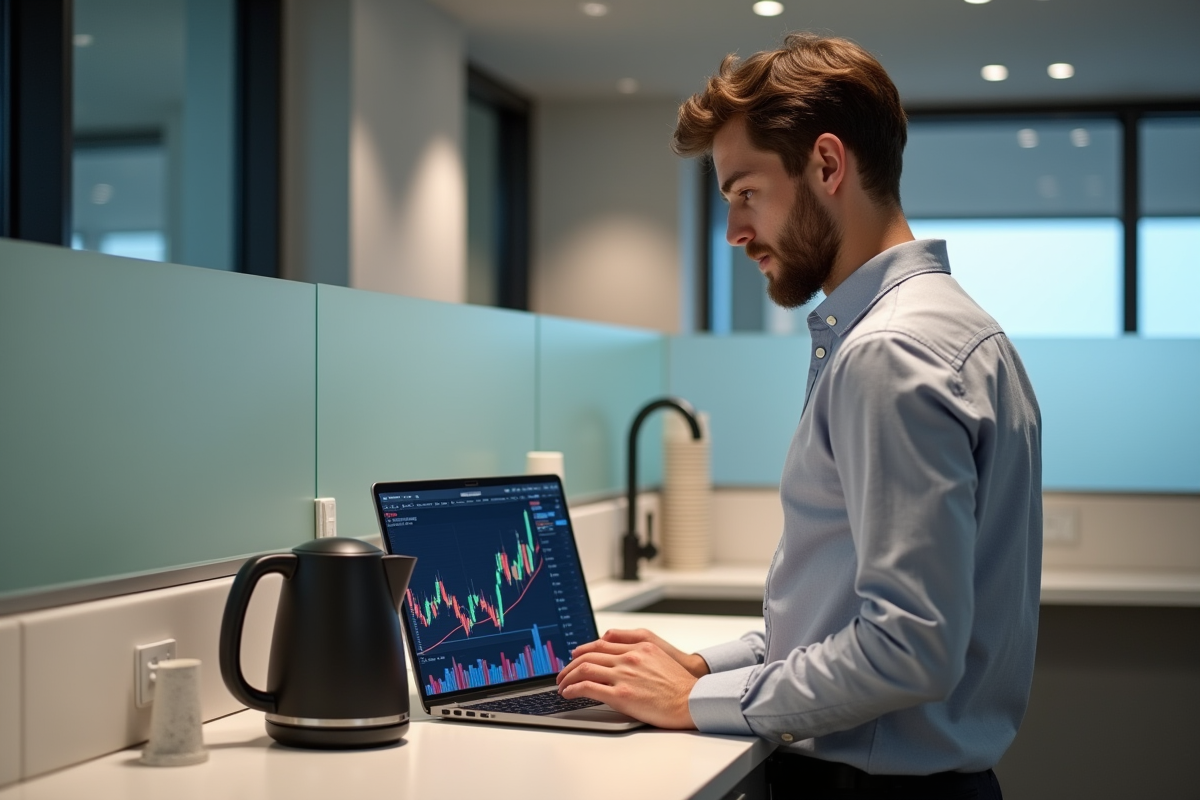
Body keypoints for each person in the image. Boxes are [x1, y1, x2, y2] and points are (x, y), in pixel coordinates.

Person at [556, 33, 1042, 799]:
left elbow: (910, 647)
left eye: (746, 192)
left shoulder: (889, 353)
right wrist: (702, 667)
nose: (734, 232)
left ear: (826, 165)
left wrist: (691, 703)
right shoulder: (957, 330)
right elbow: (838, 619)